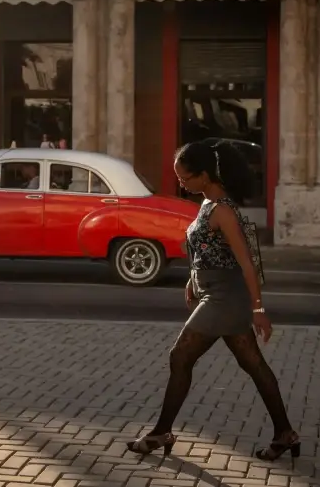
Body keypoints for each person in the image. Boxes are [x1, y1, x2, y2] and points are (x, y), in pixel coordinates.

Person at [126, 139, 299, 465]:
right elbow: (207, 250)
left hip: (225, 298)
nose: (180, 183)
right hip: (215, 294)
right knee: (253, 364)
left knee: (180, 356)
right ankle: (285, 433)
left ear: (204, 175)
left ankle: (161, 432)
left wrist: (259, 309)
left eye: (185, 178)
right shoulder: (207, 204)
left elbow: (245, 262)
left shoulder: (223, 210)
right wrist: (193, 279)